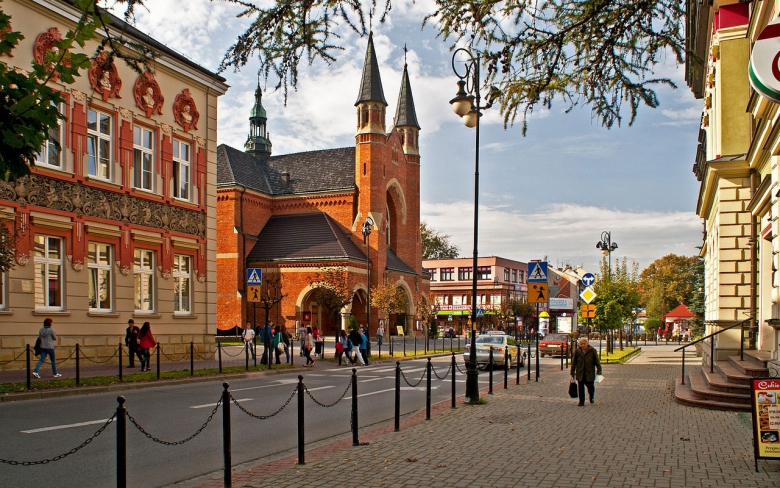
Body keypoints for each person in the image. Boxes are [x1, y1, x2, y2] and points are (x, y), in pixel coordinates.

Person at [570, 337, 602, 406]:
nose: (583, 345)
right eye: (581, 344)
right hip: (580, 372)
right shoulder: (577, 351)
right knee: (580, 387)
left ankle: (591, 396)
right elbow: (574, 362)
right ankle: (581, 401)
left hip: (589, 372)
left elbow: (597, 361)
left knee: (590, 386)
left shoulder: (592, 350)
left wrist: (599, 370)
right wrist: (572, 371)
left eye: (584, 344)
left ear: (587, 343)